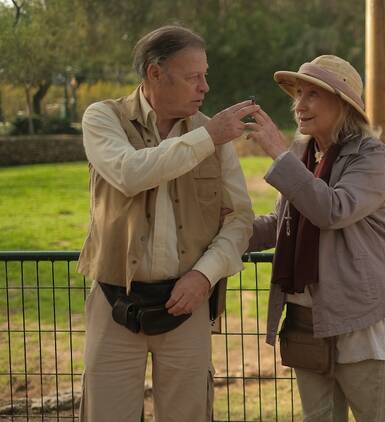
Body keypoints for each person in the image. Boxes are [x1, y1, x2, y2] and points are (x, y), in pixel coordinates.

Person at [77, 25, 254, 421]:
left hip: (186, 305)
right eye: (194, 77)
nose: (205, 87)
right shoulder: (103, 117)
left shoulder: (212, 134)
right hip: (113, 300)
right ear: (156, 74)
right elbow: (129, 172)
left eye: (205, 75)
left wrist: (205, 277)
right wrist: (208, 137)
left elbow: (240, 220)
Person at [246, 55, 385, 421]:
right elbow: (282, 222)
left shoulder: (370, 156)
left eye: (313, 95)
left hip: (361, 320)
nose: (299, 105)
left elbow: (331, 210)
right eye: (299, 94)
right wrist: (226, 230)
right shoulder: (302, 155)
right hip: (308, 322)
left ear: (342, 103)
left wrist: (277, 154)